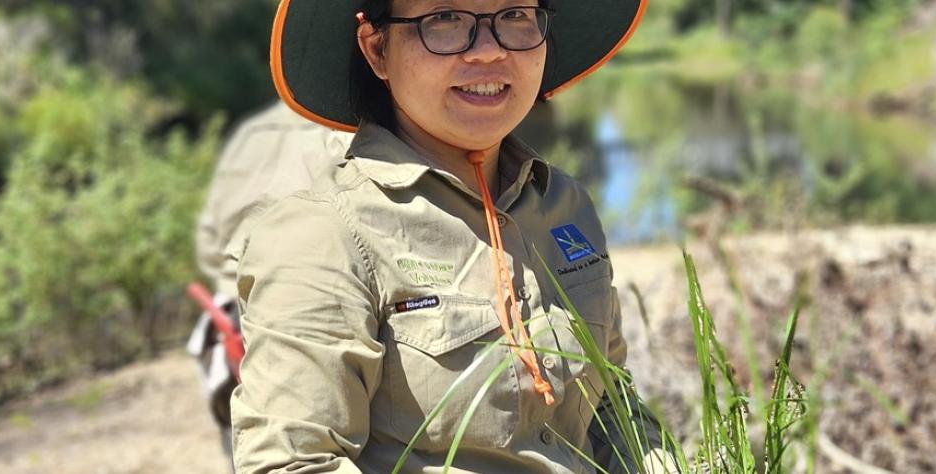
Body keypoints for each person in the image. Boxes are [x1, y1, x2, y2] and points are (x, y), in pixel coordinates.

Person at [228, 0, 672, 472]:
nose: (487, 51)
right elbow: (292, 462)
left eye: (515, 15)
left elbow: (609, 407)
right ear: (377, 49)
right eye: (445, 18)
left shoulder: (564, 205)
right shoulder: (324, 233)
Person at [188, 101, 353, 464]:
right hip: (316, 316)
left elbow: (208, 240)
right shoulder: (352, 132)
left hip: (230, 319)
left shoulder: (252, 134)